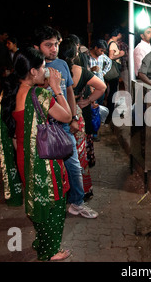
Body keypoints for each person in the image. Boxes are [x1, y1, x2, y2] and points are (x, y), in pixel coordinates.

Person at [0, 47, 72, 261]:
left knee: (36, 200)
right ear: (32, 71)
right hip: (44, 159)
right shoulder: (39, 95)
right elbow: (67, 116)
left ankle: (42, 241)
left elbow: (13, 133)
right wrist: (57, 89)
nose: (46, 71)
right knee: (54, 201)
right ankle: (49, 251)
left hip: (24, 156)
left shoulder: (10, 93)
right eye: (42, 67)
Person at [33, 25, 98, 219]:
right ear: (37, 47)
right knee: (47, 170)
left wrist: (74, 117)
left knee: (74, 165)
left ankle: (77, 203)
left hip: (64, 124)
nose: (54, 49)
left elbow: (69, 90)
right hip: (42, 127)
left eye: (56, 44)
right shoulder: (34, 68)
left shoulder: (61, 64)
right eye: (48, 45)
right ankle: (48, 208)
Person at [58, 38, 106, 199]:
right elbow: (102, 87)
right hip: (75, 114)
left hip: (55, 114)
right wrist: (88, 100)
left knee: (58, 156)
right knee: (78, 156)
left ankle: (62, 192)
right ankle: (81, 192)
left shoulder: (51, 71)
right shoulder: (80, 70)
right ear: (75, 55)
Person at [107, 28, 125, 119]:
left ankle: (111, 111)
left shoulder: (109, 42)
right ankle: (111, 112)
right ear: (118, 34)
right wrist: (121, 54)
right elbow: (111, 56)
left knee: (112, 91)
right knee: (113, 91)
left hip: (111, 71)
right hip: (113, 71)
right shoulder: (113, 43)